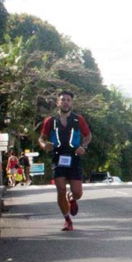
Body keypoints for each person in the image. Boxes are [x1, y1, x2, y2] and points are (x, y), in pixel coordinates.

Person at [39, 91, 92, 231]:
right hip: (58, 157)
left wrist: (83, 146)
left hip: (74, 157)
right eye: (63, 100)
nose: (66, 102)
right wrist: (44, 145)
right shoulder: (50, 121)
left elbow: (88, 136)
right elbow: (41, 137)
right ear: (58, 103)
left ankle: (72, 197)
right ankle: (67, 220)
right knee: (60, 189)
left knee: (78, 192)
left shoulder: (78, 119)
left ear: (71, 103)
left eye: (68, 100)